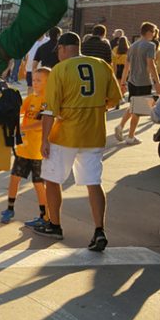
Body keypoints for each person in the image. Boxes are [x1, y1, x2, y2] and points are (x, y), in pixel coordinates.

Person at [34, 31, 121, 251]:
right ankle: (99, 229)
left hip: (66, 133)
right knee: (93, 182)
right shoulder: (102, 65)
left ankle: (55, 224)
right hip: (94, 132)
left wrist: (44, 139)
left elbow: (50, 110)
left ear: (63, 49)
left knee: (53, 178)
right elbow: (115, 99)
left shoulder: (60, 69)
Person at [0, 67, 49, 227]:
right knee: (14, 179)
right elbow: (18, 109)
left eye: (39, 80)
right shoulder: (31, 98)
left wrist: (21, 129)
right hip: (23, 149)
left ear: (48, 82)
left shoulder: (47, 101)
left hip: (38, 151)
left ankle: (44, 214)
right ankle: (10, 209)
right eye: (33, 80)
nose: (34, 83)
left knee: (38, 184)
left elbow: (42, 123)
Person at [115, 22, 160, 144]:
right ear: (149, 32)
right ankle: (130, 136)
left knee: (134, 106)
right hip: (144, 81)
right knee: (138, 111)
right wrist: (157, 82)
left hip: (132, 81)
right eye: (154, 32)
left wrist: (123, 83)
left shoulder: (133, 46)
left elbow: (126, 67)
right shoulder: (150, 45)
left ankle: (120, 126)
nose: (155, 35)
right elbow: (151, 65)